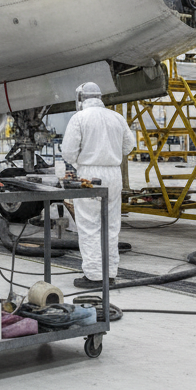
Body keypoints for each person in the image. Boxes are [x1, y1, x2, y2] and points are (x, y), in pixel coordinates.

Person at [61, 82, 133, 288]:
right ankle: (109, 273)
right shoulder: (116, 117)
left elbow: (68, 152)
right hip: (114, 174)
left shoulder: (79, 118)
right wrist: (110, 153)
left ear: (80, 98)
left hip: (90, 175)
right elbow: (129, 146)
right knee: (111, 225)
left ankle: (94, 276)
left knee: (89, 225)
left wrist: (82, 161)